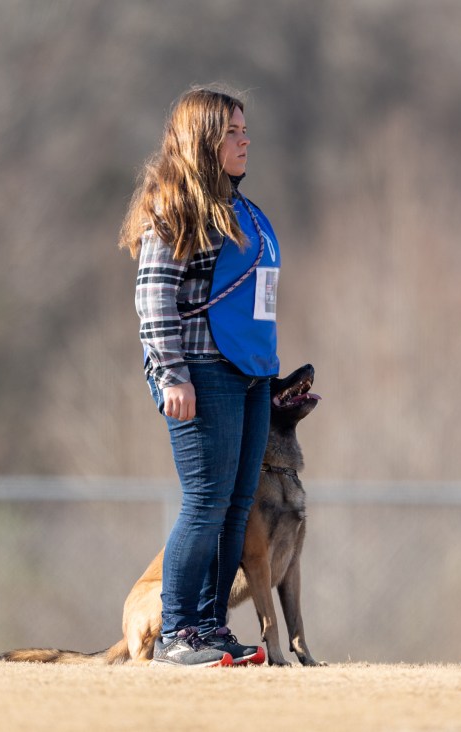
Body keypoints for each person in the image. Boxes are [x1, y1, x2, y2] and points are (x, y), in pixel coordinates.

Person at [117, 86, 280, 667]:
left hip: (249, 373)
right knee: (205, 501)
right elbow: (152, 297)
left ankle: (210, 628)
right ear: (205, 141)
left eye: (245, 130)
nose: (245, 140)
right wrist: (171, 375)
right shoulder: (174, 206)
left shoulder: (238, 210)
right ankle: (180, 631)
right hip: (199, 371)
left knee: (237, 506)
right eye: (233, 132)